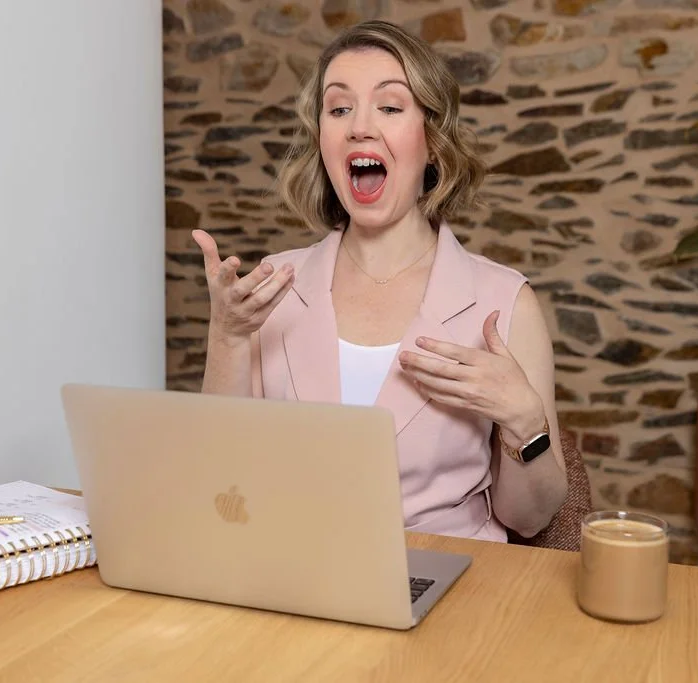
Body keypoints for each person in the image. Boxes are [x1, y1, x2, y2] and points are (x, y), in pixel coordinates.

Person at [190, 20, 567, 542]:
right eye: (339, 108)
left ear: (432, 142)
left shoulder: (506, 303)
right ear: (322, 139)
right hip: (292, 577)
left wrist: (526, 421)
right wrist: (228, 337)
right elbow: (221, 481)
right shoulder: (271, 289)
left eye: (390, 107)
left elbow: (529, 518)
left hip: (449, 583)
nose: (359, 127)